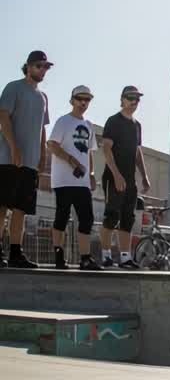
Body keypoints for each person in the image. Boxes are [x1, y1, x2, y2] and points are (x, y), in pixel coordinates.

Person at [0, 50, 52, 268]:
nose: (42, 70)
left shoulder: (43, 97)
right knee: (2, 207)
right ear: (29, 66)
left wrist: (43, 154)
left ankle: (15, 253)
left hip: (30, 163)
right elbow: (3, 117)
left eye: (45, 67)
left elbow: (42, 129)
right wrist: (14, 148)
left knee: (21, 209)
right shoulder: (14, 87)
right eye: (39, 66)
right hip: (7, 159)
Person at [47, 85, 100, 270]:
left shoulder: (89, 125)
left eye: (87, 100)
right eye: (80, 99)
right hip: (63, 180)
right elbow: (52, 145)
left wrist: (91, 174)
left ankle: (85, 257)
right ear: (72, 100)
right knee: (62, 216)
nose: (83, 103)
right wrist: (71, 160)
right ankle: (58, 255)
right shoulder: (63, 121)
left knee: (87, 218)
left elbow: (90, 152)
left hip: (82, 181)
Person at [99, 85, 151, 269]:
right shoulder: (114, 121)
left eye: (137, 99)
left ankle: (125, 257)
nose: (134, 102)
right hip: (113, 176)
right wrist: (116, 175)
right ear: (122, 99)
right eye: (130, 98)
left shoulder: (137, 126)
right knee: (111, 216)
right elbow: (106, 148)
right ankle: (105, 255)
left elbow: (138, 152)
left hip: (130, 179)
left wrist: (144, 176)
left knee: (128, 219)